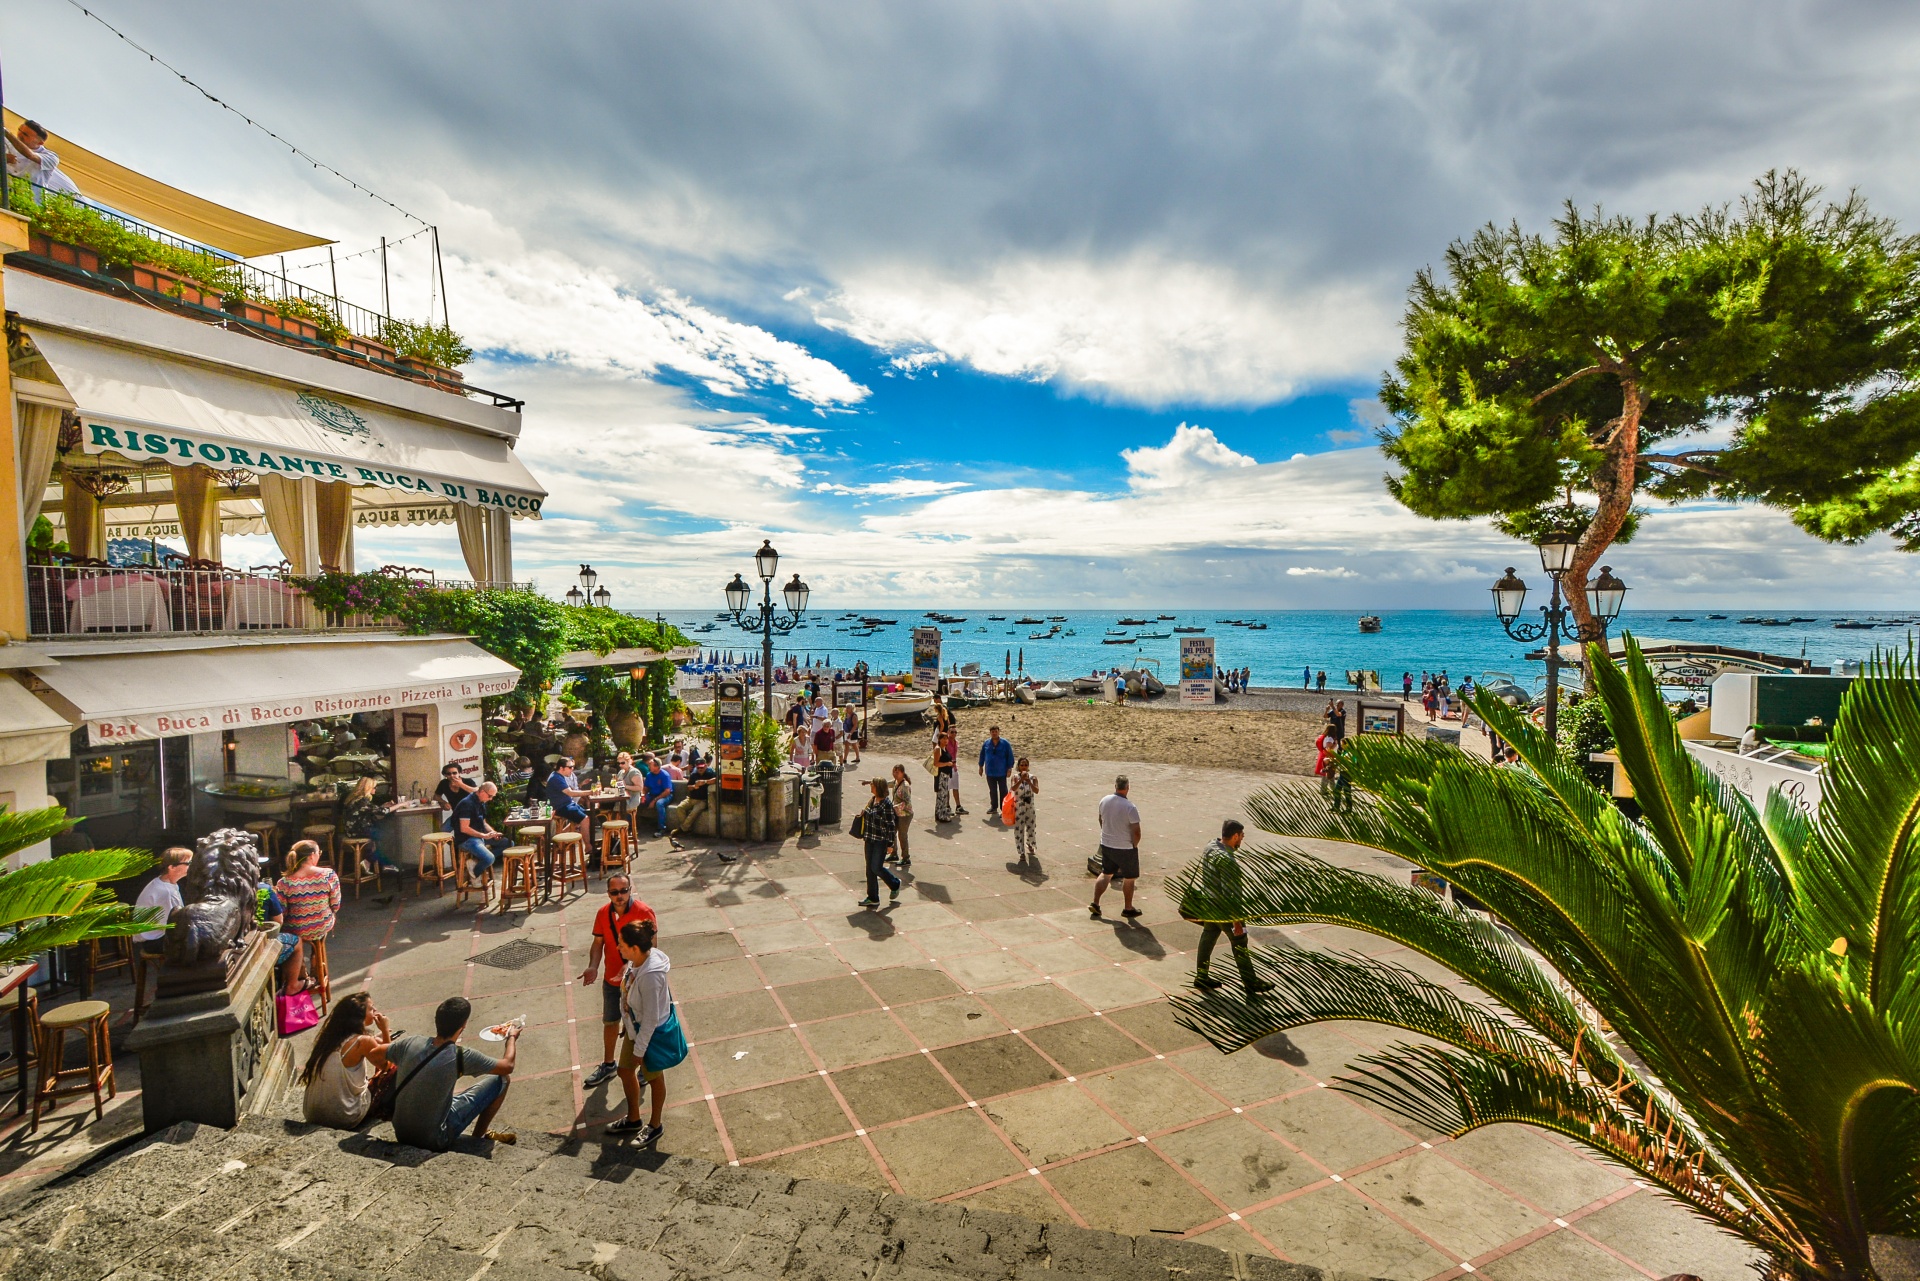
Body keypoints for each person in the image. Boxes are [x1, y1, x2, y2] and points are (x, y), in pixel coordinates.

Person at [387, 996, 518, 1149]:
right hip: (435, 1139)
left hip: (401, 1133)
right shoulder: (460, 1056)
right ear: (464, 1025)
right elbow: (507, 1066)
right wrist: (512, 1038)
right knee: (502, 1080)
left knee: (457, 1097)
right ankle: (478, 1138)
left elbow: (377, 1052)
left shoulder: (411, 1042)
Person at [578, 874, 657, 1090]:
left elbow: (652, 949)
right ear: (608, 894)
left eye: (624, 891)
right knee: (610, 1022)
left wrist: (630, 967)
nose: (620, 896)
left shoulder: (643, 912)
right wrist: (593, 965)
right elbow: (597, 943)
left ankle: (646, 1068)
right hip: (611, 980)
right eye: (615, 892)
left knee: (640, 1024)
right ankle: (608, 1064)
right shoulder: (603, 913)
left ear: (630, 890)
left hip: (637, 982)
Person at [1183, 820, 1274, 995]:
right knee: (1240, 942)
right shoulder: (1228, 861)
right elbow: (1230, 894)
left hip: (1208, 904)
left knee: (1208, 937)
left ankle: (1201, 976)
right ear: (1234, 836)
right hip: (1223, 909)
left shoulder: (1210, 846)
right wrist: (1237, 921)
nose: (1241, 840)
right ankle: (1250, 982)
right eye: (1241, 836)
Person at [609, 918, 673, 1145]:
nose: (618, 947)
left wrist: (640, 1049)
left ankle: (655, 1125)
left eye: (622, 944)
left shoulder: (651, 975)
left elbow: (652, 1018)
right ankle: (634, 1119)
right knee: (625, 1071)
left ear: (635, 948)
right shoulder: (637, 962)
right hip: (634, 1028)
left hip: (649, 1035)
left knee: (654, 1078)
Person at [299, 992, 395, 1130]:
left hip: (312, 1114)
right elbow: (387, 1064)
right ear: (359, 1015)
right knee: (393, 1071)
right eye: (371, 1008)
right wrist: (385, 1031)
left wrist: (374, 1039)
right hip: (344, 1116)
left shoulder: (329, 1038)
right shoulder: (363, 1041)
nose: (375, 1011)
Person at [132, 847, 193, 1012]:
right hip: (153, 940)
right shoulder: (164, 891)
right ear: (171, 868)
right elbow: (177, 923)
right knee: (192, 944)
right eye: (187, 863)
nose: (190, 866)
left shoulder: (167, 884)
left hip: (157, 934)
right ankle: (179, 991)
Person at [1090, 776, 1142, 920]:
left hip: (1107, 844)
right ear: (1128, 787)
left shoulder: (1104, 800)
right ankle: (1128, 907)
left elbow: (1101, 819)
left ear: (1115, 786)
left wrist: (1106, 834)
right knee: (1129, 878)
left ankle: (1095, 903)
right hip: (1125, 847)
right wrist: (1134, 844)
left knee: (1106, 873)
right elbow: (1136, 831)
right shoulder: (1130, 807)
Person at [855, 778, 902, 909]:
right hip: (869, 839)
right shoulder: (872, 800)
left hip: (880, 841)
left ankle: (894, 883)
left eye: (873, 785)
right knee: (869, 869)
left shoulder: (886, 804)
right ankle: (873, 897)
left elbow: (891, 826)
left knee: (876, 867)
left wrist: (890, 844)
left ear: (878, 787)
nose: (871, 786)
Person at [451, 780, 508, 885]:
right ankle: (475, 873)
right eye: (490, 796)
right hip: (466, 839)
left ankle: (475, 862)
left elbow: (483, 822)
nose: (490, 799)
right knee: (489, 858)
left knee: (508, 843)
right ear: (482, 792)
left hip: (480, 836)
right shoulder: (467, 804)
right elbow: (464, 828)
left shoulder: (481, 802)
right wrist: (483, 835)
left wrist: (493, 833)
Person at [5, 119, 79, 196]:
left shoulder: (51, 157)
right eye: (19, 130)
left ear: (40, 142)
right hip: (8, 197)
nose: (20, 135)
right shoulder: (8, 143)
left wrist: (7, 133)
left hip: (31, 201)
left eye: (25, 135)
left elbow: (30, 155)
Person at [255, 880, 304, 994]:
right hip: (263, 947)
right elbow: (278, 921)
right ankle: (292, 985)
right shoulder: (264, 889)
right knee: (297, 941)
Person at [342, 776, 400, 872]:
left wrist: (383, 806)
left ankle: (384, 864)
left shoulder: (355, 799)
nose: (375, 789)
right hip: (358, 830)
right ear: (367, 788)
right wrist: (401, 805)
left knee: (385, 834)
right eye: (374, 787)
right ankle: (369, 860)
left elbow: (371, 810)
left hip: (353, 829)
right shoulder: (362, 801)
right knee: (389, 836)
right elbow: (383, 812)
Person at [673, 758, 717, 841]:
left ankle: (682, 829)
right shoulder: (694, 774)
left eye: (702, 767)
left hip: (702, 800)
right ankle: (687, 829)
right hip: (691, 798)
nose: (700, 769)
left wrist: (704, 782)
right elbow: (688, 787)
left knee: (694, 812)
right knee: (680, 808)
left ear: (705, 766)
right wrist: (694, 786)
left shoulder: (710, 773)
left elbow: (716, 780)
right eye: (698, 768)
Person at [546, 757, 591, 836]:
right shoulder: (556, 778)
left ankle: (559, 837)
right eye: (570, 767)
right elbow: (570, 793)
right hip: (560, 807)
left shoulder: (559, 776)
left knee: (589, 815)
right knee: (585, 819)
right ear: (561, 768)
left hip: (568, 804)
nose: (572, 769)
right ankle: (588, 846)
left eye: (573, 767)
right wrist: (591, 792)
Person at [978, 725, 1014, 819]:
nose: (994, 733)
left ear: (998, 732)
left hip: (1001, 772)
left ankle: (1004, 809)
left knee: (1003, 791)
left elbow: (1010, 756)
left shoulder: (1005, 743)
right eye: (992, 732)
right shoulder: (986, 743)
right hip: (990, 772)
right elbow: (982, 755)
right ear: (990, 733)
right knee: (992, 791)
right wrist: (980, 766)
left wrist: (1009, 768)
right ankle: (994, 807)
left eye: (996, 731)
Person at [1009, 757, 1039, 864]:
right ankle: (1021, 851)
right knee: (1019, 829)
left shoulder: (1033, 777)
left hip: (1030, 806)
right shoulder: (1015, 777)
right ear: (1018, 766)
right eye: (1022, 765)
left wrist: (1029, 782)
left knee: (1031, 827)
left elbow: (1036, 790)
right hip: (1019, 806)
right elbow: (1013, 788)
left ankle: (1030, 843)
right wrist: (1021, 780)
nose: (1024, 767)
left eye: (1025, 765)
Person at [642, 756, 676, 841]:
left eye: (651, 765)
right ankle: (637, 824)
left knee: (659, 804)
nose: (649, 767)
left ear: (657, 766)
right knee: (639, 801)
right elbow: (646, 788)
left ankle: (662, 828)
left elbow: (667, 791)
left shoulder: (664, 775)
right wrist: (642, 795)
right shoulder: (649, 775)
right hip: (652, 794)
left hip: (665, 795)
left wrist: (654, 800)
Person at [888, 763, 914, 870]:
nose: (895, 774)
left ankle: (906, 858)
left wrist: (893, 807)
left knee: (902, 836)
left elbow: (906, 802)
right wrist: (870, 782)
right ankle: (894, 853)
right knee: (892, 832)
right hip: (897, 813)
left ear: (902, 773)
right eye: (894, 771)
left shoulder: (905, 786)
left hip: (905, 815)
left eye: (897, 772)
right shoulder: (895, 782)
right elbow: (885, 783)